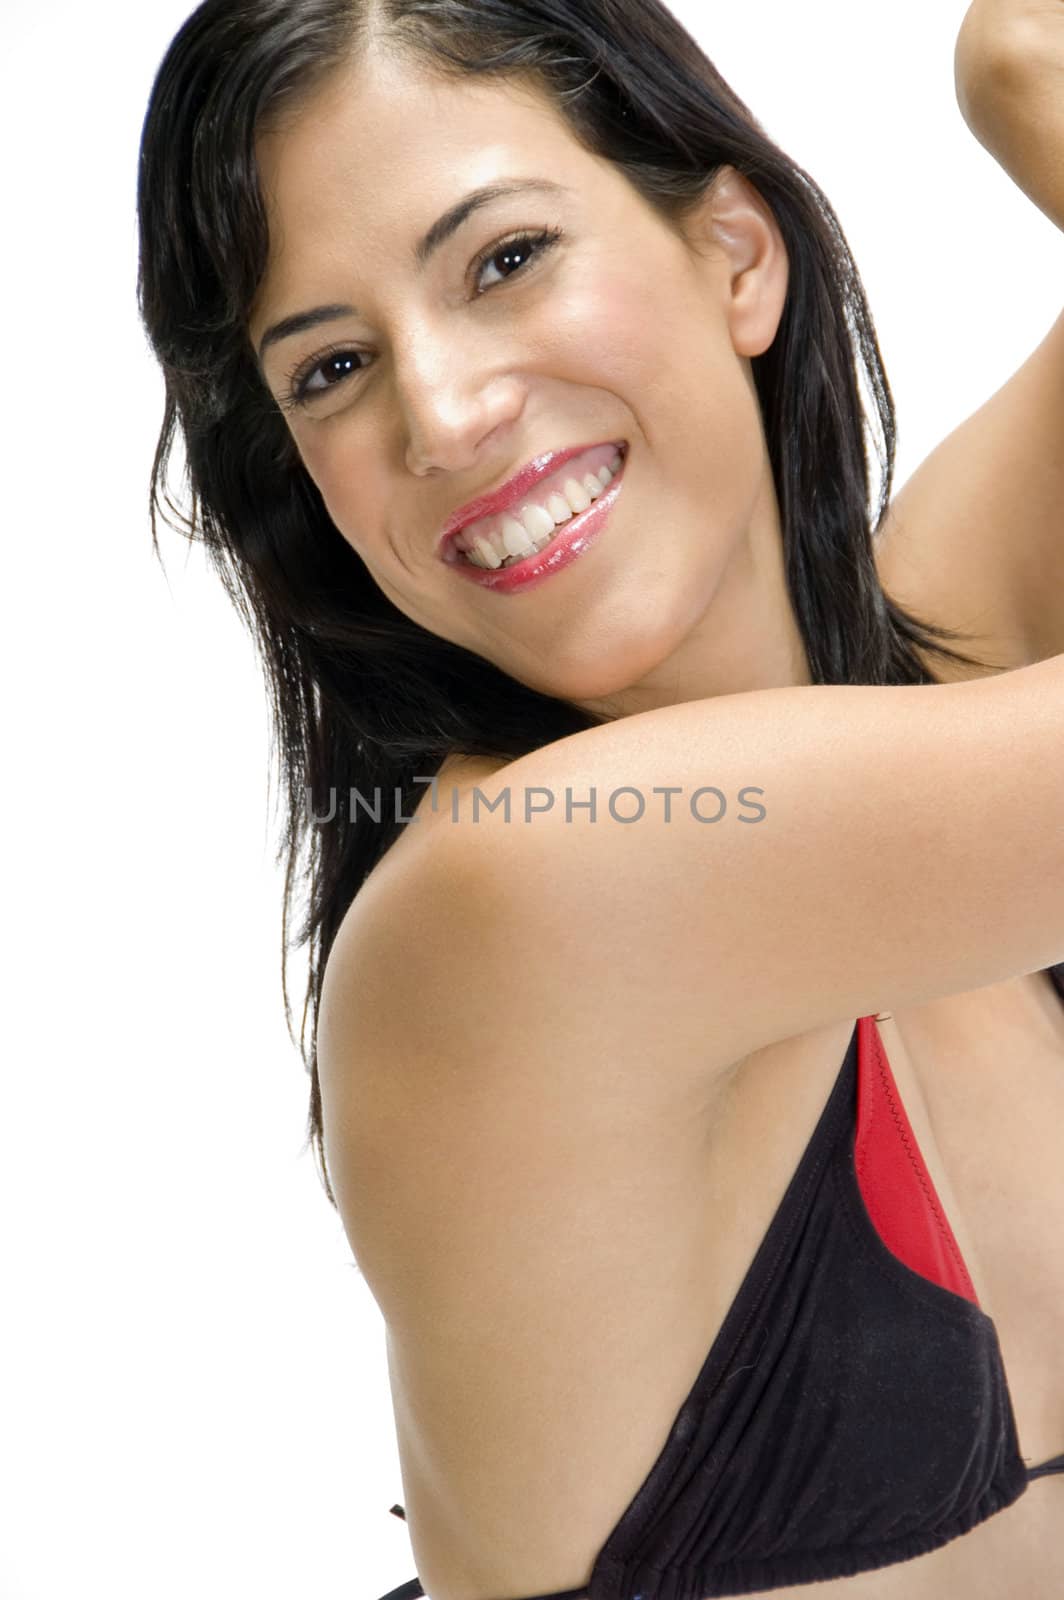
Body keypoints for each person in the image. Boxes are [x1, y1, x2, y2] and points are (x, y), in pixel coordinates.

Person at [135, 1, 1064, 1595]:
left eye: (500, 261)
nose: (441, 415)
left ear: (736, 256)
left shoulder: (944, 663)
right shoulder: (529, 899)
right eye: (336, 368)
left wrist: (1007, 75)